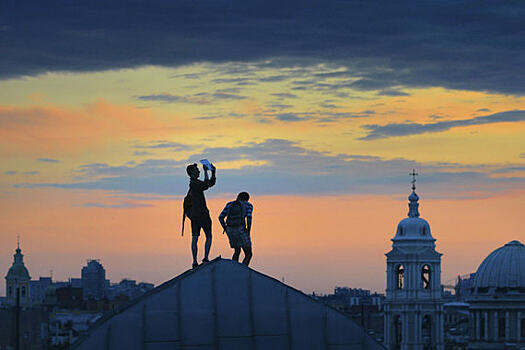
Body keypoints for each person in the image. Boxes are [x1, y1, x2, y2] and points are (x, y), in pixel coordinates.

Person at [186, 162, 216, 268]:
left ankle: (195, 260)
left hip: (194, 215)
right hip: (202, 214)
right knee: (208, 236)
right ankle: (204, 257)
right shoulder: (194, 183)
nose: (198, 171)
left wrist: (212, 173)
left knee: (195, 238)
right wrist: (206, 172)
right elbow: (206, 185)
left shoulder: (194, 184)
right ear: (191, 173)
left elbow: (209, 184)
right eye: (196, 170)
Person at [219, 192, 253, 266]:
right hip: (241, 229)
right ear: (247, 199)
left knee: (237, 251)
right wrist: (248, 230)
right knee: (248, 253)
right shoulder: (248, 205)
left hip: (230, 230)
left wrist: (225, 228)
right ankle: (243, 271)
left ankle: (234, 268)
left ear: (238, 197)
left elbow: (220, 217)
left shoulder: (229, 204)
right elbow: (249, 217)